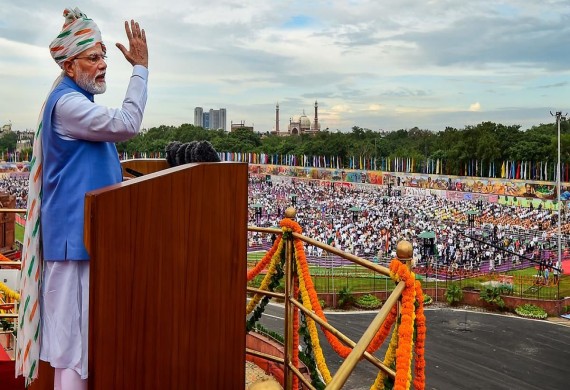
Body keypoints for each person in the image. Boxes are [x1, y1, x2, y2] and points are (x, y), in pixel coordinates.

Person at [16, 7, 148, 389]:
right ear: (71, 66)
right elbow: (127, 124)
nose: (104, 64)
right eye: (94, 57)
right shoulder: (68, 105)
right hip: (75, 245)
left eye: (104, 55)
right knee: (72, 353)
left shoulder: (77, 102)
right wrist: (140, 69)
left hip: (86, 243)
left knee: (80, 349)